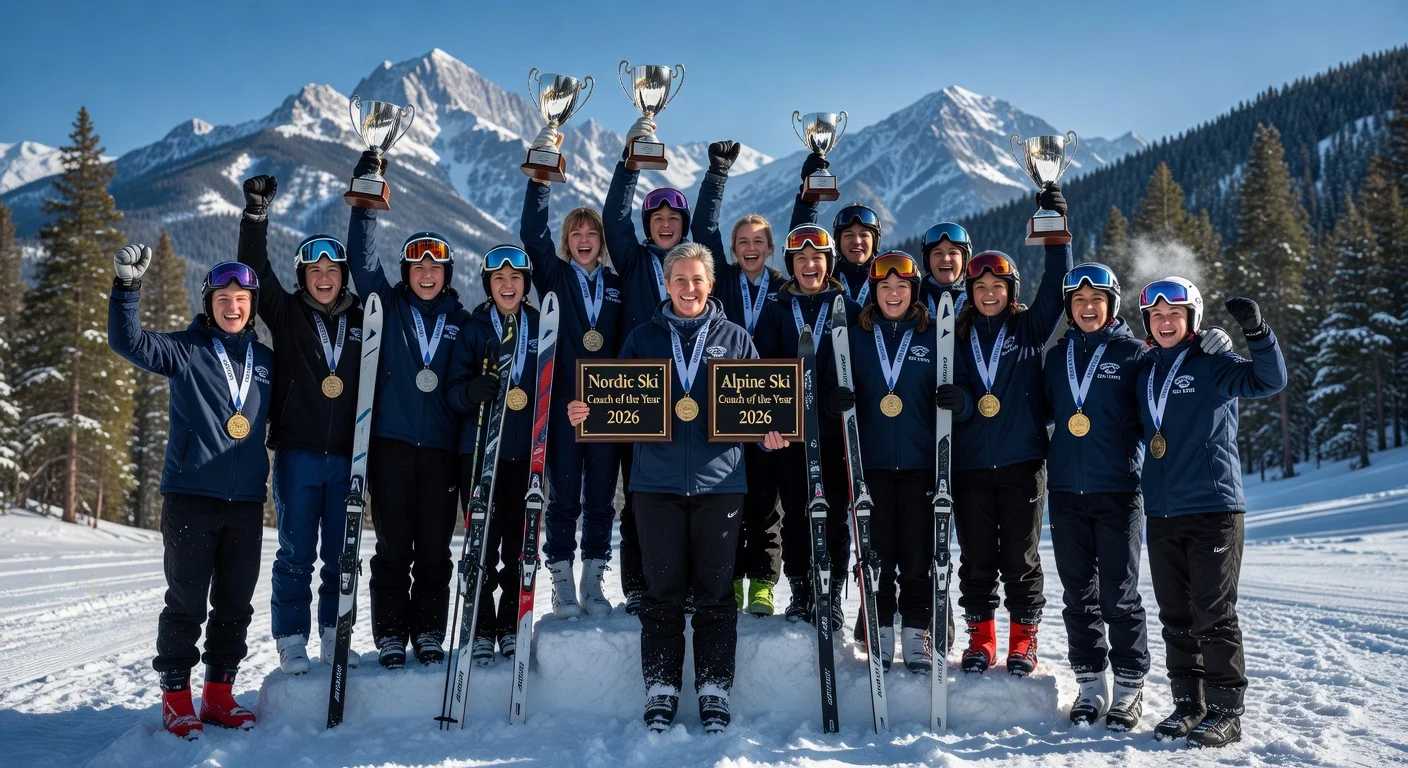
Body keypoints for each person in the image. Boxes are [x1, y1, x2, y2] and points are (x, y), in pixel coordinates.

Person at [566, 242, 788, 733]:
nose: (689, 288)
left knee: (714, 594)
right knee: (662, 593)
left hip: (721, 484)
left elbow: (757, 413)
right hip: (655, 485)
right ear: (666, 285)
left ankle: (714, 688)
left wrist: (770, 436)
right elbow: (614, 403)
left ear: (712, 285)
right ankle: (662, 687)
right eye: (679, 280)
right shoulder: (643, 338)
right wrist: (588, 413)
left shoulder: (735, 338)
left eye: (697, 280)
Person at [109, 251, 272, 739]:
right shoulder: (186, 349)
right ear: (210, 303)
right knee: (185, 603)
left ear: (252, 306)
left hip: (245, 503)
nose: (233, 307)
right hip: (191, 497)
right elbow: (129, 341)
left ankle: (219, 695)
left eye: (241, 300)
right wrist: (127, 290)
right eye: (224, 299)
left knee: (236, 605)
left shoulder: (264, 362)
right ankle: (176, 699)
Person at [1136, 278, 1286, 748]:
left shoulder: (1215, 363)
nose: (1164, 322)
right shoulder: (1145, 373)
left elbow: (1270, 379)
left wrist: (1257, 333)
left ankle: (1226, 711)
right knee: (1175, 614)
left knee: (1213, 613)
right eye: (1156, 316)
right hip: (1160, 513)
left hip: (1213, 508)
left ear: (1192, 320)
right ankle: (1188, 703)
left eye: (1174, 315)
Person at [345, 150, 473, 669]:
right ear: (406, 271)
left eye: (435, 267)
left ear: (446, 273)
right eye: (418, 266)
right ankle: (392, 634)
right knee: (394, 548)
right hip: (392, 446)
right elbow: (359, 257)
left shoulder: (463, 321)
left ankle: (428, 633)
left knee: (437, 553)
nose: (426, 274)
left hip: (441, 450)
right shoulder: (386, 306)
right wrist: (368, 193)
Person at [235, 175, 366, 675]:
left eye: (333, 269)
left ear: (343, 275)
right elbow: (253, 270)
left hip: (349, 458)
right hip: (297, 454)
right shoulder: (286, 313)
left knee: (342, 554)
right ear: (302, 275)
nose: (325, 276)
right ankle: (292, 640)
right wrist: (256, 216)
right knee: (295, 553)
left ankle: (336, 636)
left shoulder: (362, 319)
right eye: (316, 270)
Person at [949, 183, 1072, 677]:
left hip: (1023, 462)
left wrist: (1057, 232)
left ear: (1011, 292)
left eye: (998, 287)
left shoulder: (1029, 329)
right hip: (971, 464)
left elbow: (1057, 285)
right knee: (977, 558)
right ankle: (981, 641)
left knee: (1020, 559)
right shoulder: (951, 334)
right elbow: (943, 387)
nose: (989, 294)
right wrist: (954, 401)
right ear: (970, 293)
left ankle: (1024, 642)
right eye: (979, 288)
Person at [826, 250, 967, 672]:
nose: (892, 293)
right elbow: (836, 385)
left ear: (914, 291)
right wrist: (836, 400)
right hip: (872, 465)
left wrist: (962, 402)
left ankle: (917, 632)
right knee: (876, 554)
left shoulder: (934, 335)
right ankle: (880, 629)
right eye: (884, 286)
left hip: (925, 465)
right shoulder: (855, 336)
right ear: (873, 292)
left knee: (920, 554)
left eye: (901, 286)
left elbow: (962, 388)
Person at [1041, 263, 1152, 728]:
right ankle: (1090, 686)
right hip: (1065, 491)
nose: (1088, 308)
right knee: (1077, 595)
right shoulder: (1056, 355)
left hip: (1118, 491)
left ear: (1111, 305)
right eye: (1079, 302)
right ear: (1069, 308)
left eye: (1097, 301)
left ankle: (1129, 688)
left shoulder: (1134, 354)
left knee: (1119, 596)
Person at [520, 176, 624, 619]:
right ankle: (561, 583)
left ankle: (593, 583)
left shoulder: (618, 285)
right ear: (566, 241)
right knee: (563, 499)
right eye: (575, 233)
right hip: (563, 406)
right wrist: (540, 181)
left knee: (601, 499)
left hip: (610, 408)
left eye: (592, 233)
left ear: (602, 241)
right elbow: (531, 233)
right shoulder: (554, 275)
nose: (584, 240)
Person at [692, 139, 786, 616]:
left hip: (768, 406)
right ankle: (727, 578)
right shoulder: (722, 281)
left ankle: (764, 584)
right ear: (731, 250)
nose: (750, 248)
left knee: (766, 501)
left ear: (771, 249)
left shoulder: (784, 291)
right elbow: (702, 226)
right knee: (729, 498)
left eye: (758, 242)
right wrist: (717, 176)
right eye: (742, 242)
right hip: (719, 407)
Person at [604, 121, 694, 612]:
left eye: (673, 217)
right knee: (636, 497)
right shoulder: (634, 261)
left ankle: (684, 583)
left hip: (689, 398)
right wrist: (629, 161)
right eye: (656, 216)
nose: (665, 223)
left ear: (683, 226)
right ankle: (638, 585)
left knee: (685, 499)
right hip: (636, 395)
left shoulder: (694, 270)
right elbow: (613, 217)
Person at [754, 224, 860, 630]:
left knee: (833, 514)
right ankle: (801, 592)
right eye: (801, 260)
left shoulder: (847, 309)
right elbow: (763, 368)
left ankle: (830, 595)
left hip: (834, 432)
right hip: (791, 433)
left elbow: (862, 364)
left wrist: (842, 397)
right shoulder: (777, 309)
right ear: (791, 265)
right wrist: (774, 418)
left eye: (817, 259)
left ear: (828, 263)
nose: (809, 265)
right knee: (796, 514)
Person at [446, 246, 539, 663]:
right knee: (481, 543)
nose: (507, 286)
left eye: (515, 279)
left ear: (525, 285)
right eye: (499, 279)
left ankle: (509, 624)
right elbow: (451, 390)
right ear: (488, 284)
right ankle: (481, 626)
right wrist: (470, 392)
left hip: (525, 453)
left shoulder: (540, 325)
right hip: (481, 451)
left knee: (519, 545)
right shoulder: (474, 328)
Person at [788, 150, 881, 305]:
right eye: (848, 235)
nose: (857, 241)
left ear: (875, 242)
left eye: (864, 235)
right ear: (837, 243)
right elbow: (800, 241)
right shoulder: (824, 276)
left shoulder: (886, 277)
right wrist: (808, 199)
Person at [919, 221, 971, 314]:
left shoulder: (977, 299)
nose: (946, 259)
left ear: (964, 259)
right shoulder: (914, 301)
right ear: (927, 260)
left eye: (953, 253)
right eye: (938, 253)